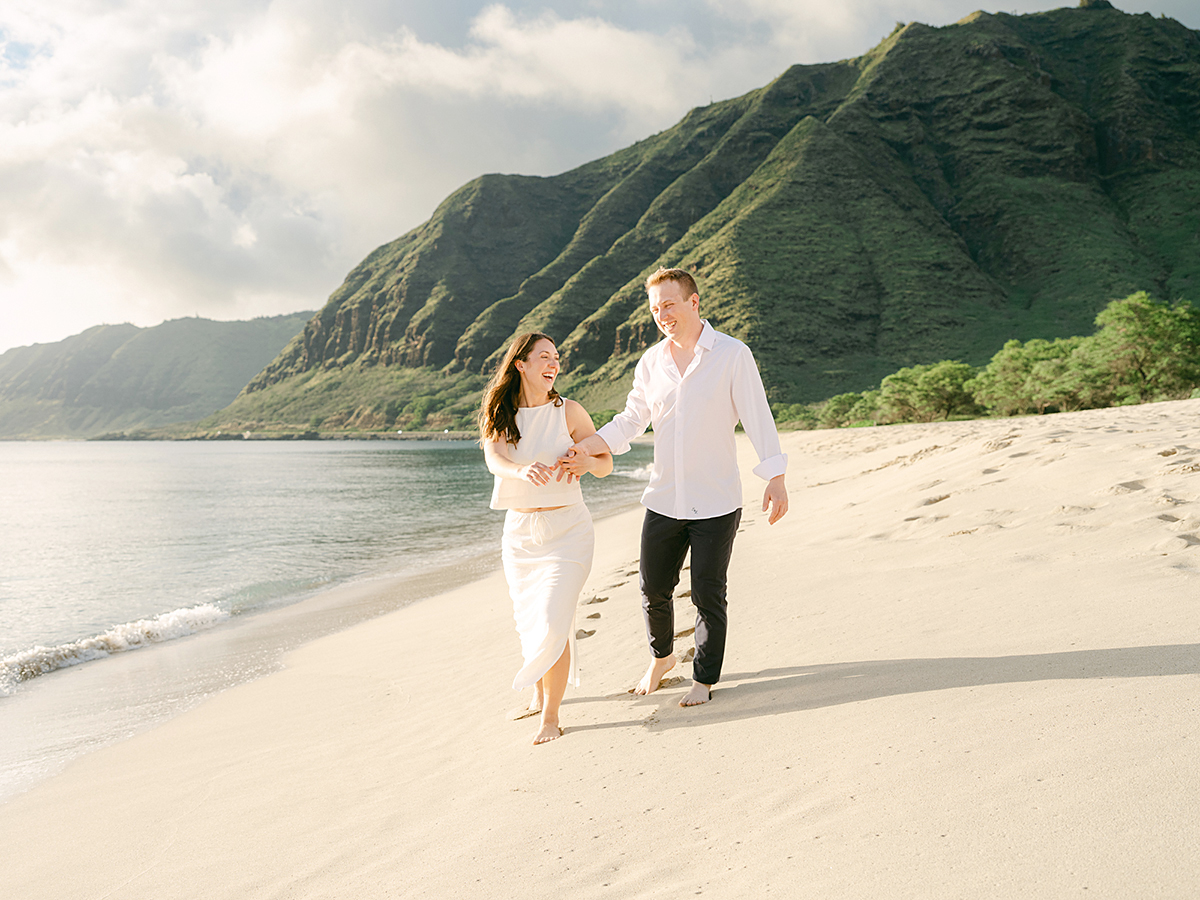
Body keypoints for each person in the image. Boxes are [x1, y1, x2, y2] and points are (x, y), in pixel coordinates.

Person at [560, 267, 788, 707]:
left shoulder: (732, 354)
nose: (662, 314)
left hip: (716, 500)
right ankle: (661, 658)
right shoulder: (651, 362)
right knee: (652, 589)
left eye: (669, 304)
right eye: (654, 309)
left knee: (707, 593)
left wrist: (775, 477)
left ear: (693, 302)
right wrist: (587, 446)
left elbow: (757, 415)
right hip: (664, 497)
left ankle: (704, 678)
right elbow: (631, 419)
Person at [479, 332, 613, 744]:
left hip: (568, 530)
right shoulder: (500, 412)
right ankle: (538, 697)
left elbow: (605, 462)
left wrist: (586, 462)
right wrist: (521, 470)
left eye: (556, 357)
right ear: (521, 364)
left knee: (554, 619)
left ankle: (551, 717)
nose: (553, 363)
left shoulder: (568, 411)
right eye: (544, 357)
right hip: (521, 536)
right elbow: (495, 459)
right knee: (532, 622)